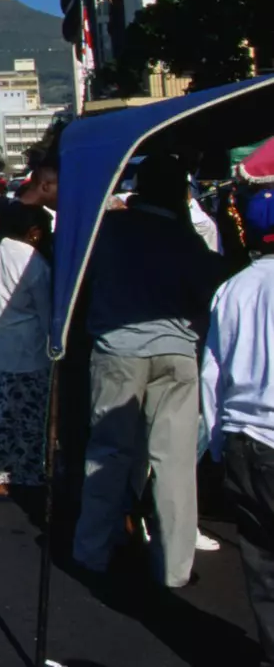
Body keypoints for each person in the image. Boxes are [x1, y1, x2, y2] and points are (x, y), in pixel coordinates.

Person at [74, 153, 226, 587]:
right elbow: (211, 292)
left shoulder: (108, 232)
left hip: (118, 350)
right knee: (175, 464)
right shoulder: (186, 239)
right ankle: (176, 569)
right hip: (177, 352)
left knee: (108, 453)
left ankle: (91, 550)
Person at [202, 184, 274, 660]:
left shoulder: (232, 289)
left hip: (243, 439)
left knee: (262, 563)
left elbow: (211, 372)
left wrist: (216, 444)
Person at [0, 203, 53, 497]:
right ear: (33, 232)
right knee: (29, 415)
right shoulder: (36, 263)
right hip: (30, 346)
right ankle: (26, 472)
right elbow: (46, 314)